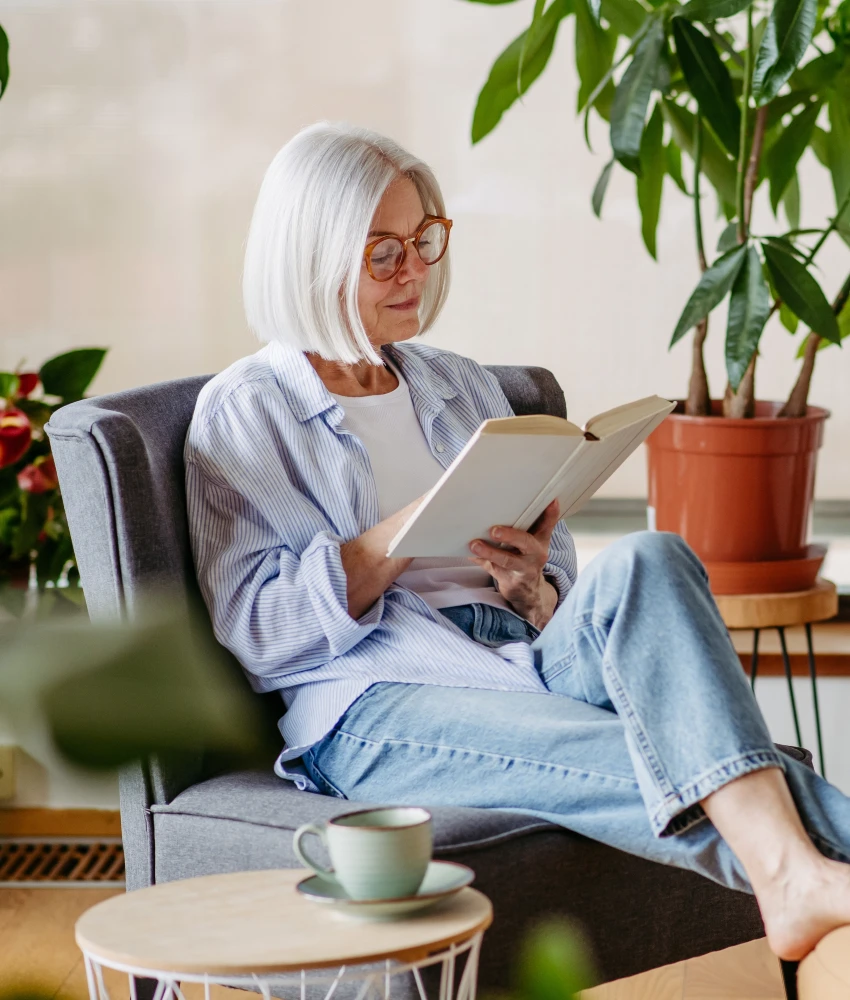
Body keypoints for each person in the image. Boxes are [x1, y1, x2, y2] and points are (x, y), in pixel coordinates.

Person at [185, 122, 850, 962]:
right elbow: (258, 633)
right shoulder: (246, 411)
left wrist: (536, 584)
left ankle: (796, 879)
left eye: (425, 239)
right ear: (309, 257)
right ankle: (795, 872)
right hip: (375, 701)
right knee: (659, 753)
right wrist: (401, 533)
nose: (417, 270)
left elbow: (553, 562)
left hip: (521, 657)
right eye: (383, 252)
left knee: (652, 556)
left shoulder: (462, 382)